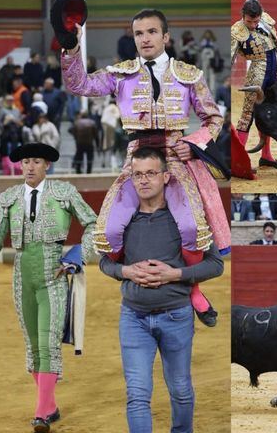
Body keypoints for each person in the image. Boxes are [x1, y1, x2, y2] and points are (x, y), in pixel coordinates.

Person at [60, 3, 228, 327]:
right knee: (107, 232)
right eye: (138, 33)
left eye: (151, 32)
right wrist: (72, 47)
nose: (145, 39)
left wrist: (193, 143)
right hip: (136, 157)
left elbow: (214, 117)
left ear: (165, 36)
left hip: (174, 158)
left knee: (193, 227)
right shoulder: (120, 73)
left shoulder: (188, 74)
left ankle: (192, 290)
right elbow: (79, 85)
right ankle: (135, 278)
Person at [99, 146, 224, 433]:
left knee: (180, 389)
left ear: (166, 177)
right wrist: (125, 271)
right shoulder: (122, 221)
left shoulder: (186, 220)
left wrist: (174, 274)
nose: (144, 180)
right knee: (137, 394)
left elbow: (216, 264)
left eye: (151, 173)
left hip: (176, 316)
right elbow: (106, 262)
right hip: (134, 318)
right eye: (137, 174)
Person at [0, 143, 97, 432]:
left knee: (48, 344)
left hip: (52, 277)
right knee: (33, 346)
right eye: (25, 162)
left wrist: (76, 257)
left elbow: (94, 224)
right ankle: (50, 406)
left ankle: (41, 414)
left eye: (36, 161)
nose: (29, 167)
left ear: (47, 166)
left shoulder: (64, 192)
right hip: (22, 280)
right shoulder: (10, 197)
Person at [231, 0, 277, 170]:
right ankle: (237, 160)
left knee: (268, 114)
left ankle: (266, 156)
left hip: (273, 73)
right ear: (243, 16)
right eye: (249, 21)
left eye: (255, 21)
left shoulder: (266, 21)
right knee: (247, 116)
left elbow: (276, 48)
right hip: (256, 77)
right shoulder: (237, 30)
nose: (253, 25)